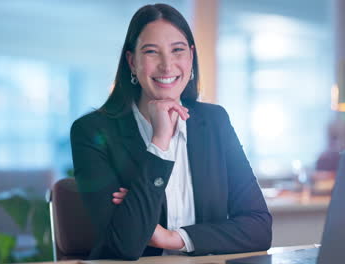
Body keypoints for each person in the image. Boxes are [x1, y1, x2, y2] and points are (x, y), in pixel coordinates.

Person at [70, 4, 272, 260]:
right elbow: (124, 246)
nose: (167, 66)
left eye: (177, 50)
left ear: (190, 56)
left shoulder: (215, 122)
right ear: (132, 62)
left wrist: (173, 238)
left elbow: (259, 228)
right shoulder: (91, 132)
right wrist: (160, 142)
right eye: (152, 52)